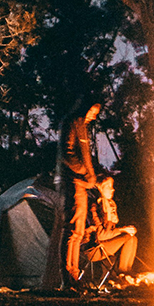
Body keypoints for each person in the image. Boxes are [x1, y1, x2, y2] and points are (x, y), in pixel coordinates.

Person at [56, 97, 102, 287]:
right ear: (84, 109)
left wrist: (92, 176)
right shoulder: (72, 123)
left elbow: (84, 154)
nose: (94, 116)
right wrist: (84, 172)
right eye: (92, 111)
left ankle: (74, 276)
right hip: (74, 182)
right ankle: (68, 277)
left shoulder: (82, 127)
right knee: (73, 229)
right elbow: (67, 152)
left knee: (80, 231)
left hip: (82, 183)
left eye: (96, 114)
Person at [83, 176, 138, 273]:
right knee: (128, 237)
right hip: (94, 249)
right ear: (100, 188)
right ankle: (122, 273)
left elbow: (110, 233)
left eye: (112, 186)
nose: (112, 189)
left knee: (132, 238)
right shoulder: (95, 208)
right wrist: (122, 230)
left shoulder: (109, 206)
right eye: (108, 186)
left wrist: (126, 229)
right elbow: (101, 236)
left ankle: (127, 272)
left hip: (105, 245)